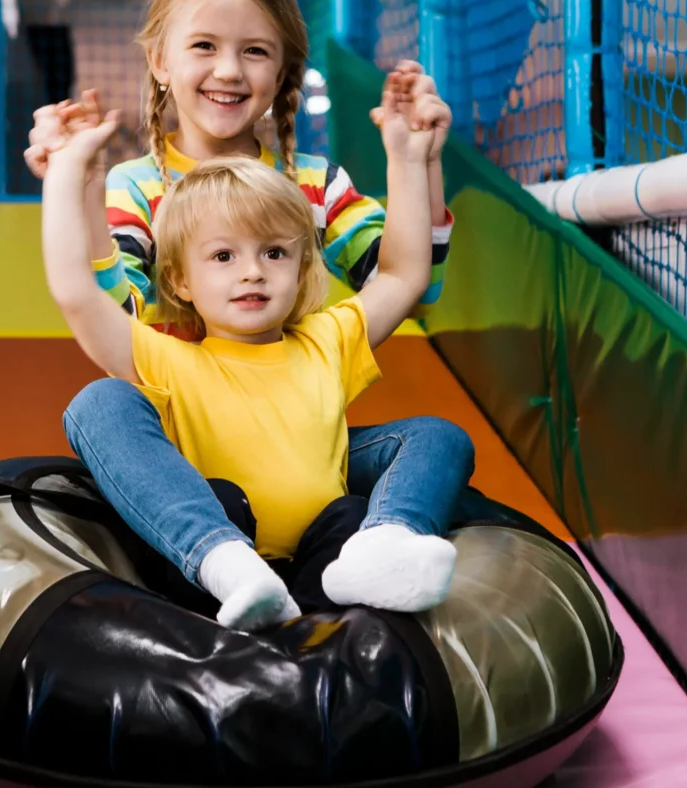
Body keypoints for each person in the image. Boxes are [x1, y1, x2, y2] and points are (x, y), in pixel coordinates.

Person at [40, 62, 472, 632]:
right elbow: (76, 291)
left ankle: (385, 543)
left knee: (440, 437)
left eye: (274, 253)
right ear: (180, 281)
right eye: (223, 257)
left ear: (301, 267)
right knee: (99, 402)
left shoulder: (327, 341)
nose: (252, 273)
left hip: (327, 559)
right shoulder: (168, 359)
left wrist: (411, 157)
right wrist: (68, 175)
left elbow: (405, 274)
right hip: (214, 567)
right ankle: (228, 563)